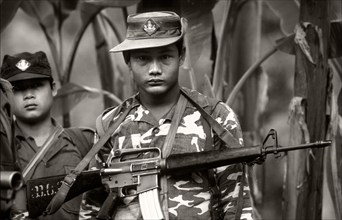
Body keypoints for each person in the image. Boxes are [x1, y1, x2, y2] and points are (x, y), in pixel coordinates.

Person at [81, 11, 254, 220]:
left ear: (181, 56)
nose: (154, 69)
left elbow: (236, 205)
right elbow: (92, 207)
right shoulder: (110, 125)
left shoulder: (216, 118)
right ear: (128, 61)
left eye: (165, 57)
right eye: (143, 58)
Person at [0, 51, 94, 220]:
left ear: (53, 88)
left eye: (36, 85)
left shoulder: (85, 142)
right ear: (7, 96)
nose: (29, 95)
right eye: (18, 89)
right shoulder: (3, 150)